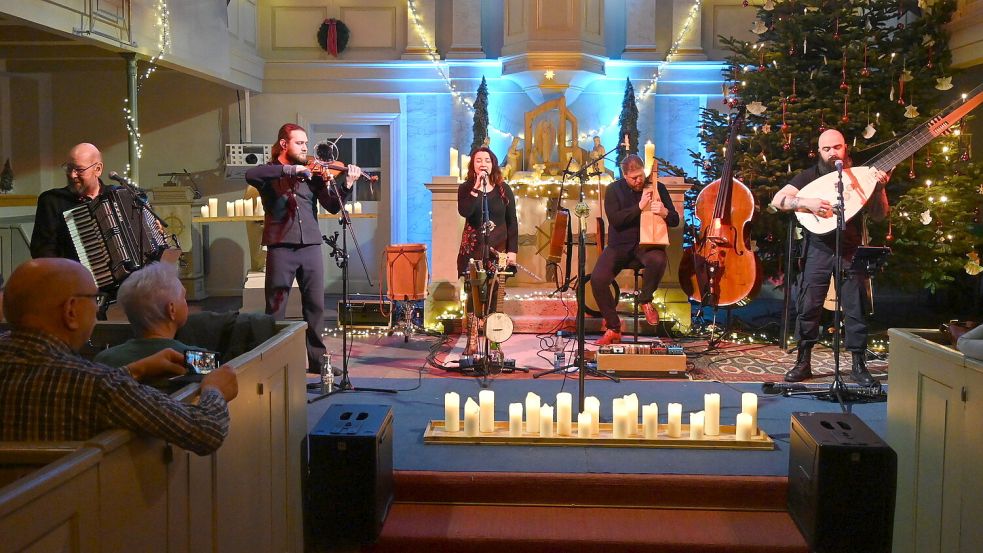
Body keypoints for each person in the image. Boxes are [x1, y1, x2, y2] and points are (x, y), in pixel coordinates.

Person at [0, 258, 239, 456]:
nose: (97, 308)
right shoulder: (97, 386)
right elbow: (204, 431)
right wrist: (214, 389)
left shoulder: (97, 380)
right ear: (71, 311)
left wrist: (134, 370)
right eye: (95, 299)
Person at [770, 129, 890, 385]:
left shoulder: (860, 179)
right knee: (809, 304)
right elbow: (778, 199)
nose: (832, 153)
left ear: (845, 148)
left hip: (850, 249)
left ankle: (858, 364)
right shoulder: (810, 176)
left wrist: (879, 189)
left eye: (837, 147)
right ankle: (803, 362)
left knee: (855, 306)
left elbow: (880, 215)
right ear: (819, 152)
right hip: (818, 249)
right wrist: (806, 202)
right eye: (827, 149)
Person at [245, 123, 363, 374]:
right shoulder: (271, 172)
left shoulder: (313, 175)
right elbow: (251, 174)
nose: (306, 148)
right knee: (276, 308)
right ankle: (273, 363)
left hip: (310, 245)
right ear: (284, 144)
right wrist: (292, 169)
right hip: (281, 247)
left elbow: (332, 205)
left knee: (315, 306)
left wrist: (348, 184)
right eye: (300, 143)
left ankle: (317, 361)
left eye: (306, 143)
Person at [591, 154, 679, 345]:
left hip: (645, 247)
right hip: (618, 247)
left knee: (659, 259)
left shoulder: (657, 188)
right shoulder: (613, 189)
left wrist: (664, 212)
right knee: (597, 280)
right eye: (634, 178)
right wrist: (639, 207)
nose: (639, 181)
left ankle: (646, 300)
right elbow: (615, 220)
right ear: (624, 175)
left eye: (640, 176)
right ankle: (614, 328)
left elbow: (675, 220)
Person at [94, 261, 191, 367]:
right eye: (183, 297)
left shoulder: (104, 360)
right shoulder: (193, 359)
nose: (186, 302)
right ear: (172, 309)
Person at [31, 143, 110, 260]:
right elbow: (43, 253)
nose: (72, 175)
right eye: (69, 168)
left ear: (97, 169)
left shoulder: (114, 197)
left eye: (79, 169)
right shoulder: (52, 200)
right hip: (73, 276)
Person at [457, 146, 518, 275]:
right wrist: (476, 187)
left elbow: (512, 221)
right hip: (473, 249)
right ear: (473, 165)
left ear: (493, 165)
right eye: (478, 161)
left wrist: (512, 250)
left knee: (496, 291)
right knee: (474, 292)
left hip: (499, 249)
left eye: (487, 160)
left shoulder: (504, 189)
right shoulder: (465, 188)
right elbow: (465, 212)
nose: (483, 164)